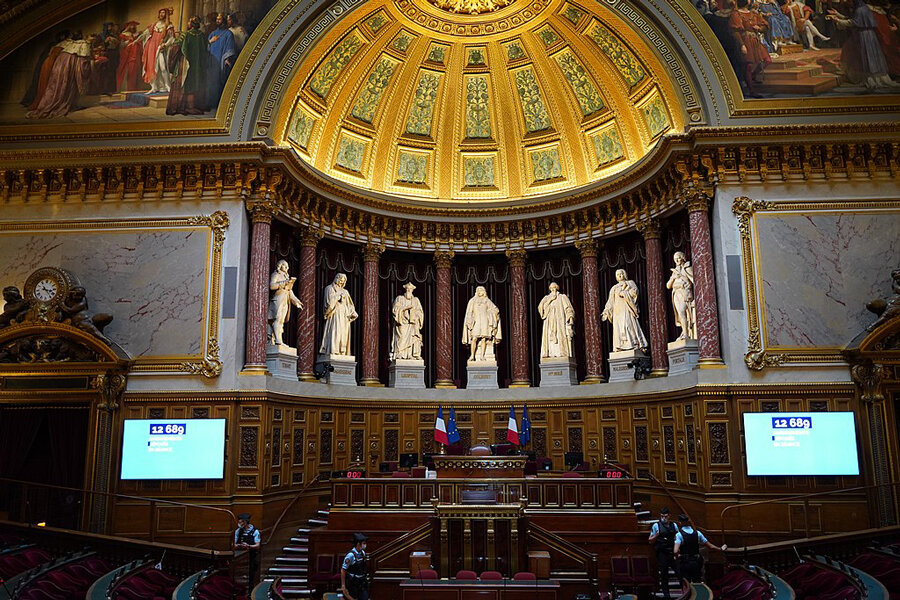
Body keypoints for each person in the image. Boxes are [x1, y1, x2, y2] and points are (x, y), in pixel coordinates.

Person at [828, 0, 900, 88]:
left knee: (868, 57)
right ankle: (872, 78)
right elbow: (853, 18)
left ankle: (871, 79)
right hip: (868, 36)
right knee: (868, 57)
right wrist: (838, 14)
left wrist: (837, 20)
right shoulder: (864, 8)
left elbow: (853, 22)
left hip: (864, 36)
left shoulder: (860, 10)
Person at [27, 32, 92, 119]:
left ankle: (51, 102)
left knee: (56, 86)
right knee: (64, 85)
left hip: (59, 64)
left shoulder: (69, 43)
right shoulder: (84, 44)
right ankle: (59, 103)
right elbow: (83, 64)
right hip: (68, 66)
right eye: (92, 37)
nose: (92, 39)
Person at [166, 16, 209, 116]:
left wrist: (174, 39)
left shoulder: (185, 34)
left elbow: (176, 46)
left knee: (183, 83)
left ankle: (182, 106)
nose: (187, 23)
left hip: (185, 63)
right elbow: (205, 49)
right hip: (197, 66)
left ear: (192, 24)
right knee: (194, 84)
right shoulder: (202, 35)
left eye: (189, 22)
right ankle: (192, 106)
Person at [730, 0, 772, 97]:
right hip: (745, 41)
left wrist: (760, 29)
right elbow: (735, 32)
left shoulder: (753, 14)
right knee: (748, 65)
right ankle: (752, 90)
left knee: (767, 60)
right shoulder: (736, 14)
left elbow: (765, 26)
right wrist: (742, 45)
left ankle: (752, 76)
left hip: (755, 40)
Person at [601, 269, 649, 352]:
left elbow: (635, 293)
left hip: (627, 308)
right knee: (618, 328)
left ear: (625, 274)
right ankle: (620, 346)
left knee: (628, 325)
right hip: (617, 311)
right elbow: (610, 301)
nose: (619, 275)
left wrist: (625, 293)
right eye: (617, 274)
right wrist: (606, 310)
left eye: (621, 274)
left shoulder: (630, 283)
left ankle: (633, 344)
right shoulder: (614, 288)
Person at [673, 514, 727, 583]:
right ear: (688, 521)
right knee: (697, 581)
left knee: (686, 583)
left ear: (680, 523)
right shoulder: (698, 533)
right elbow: (710, 546)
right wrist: (720, 549)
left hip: (685, 563)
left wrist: (677, 556)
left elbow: (675, 551)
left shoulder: (679, 535)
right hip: (696, 562)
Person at [319, 273, 358, 357]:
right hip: (335, 313)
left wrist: (353, 312)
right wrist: (338, 297)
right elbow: (328, 303)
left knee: (343, 333)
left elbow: (350, 304)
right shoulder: (329, 288)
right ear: (336, 279)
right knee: (335, 331)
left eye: (343, 281)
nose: (341, 282)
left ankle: (342, 352)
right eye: (340, 280)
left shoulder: (345, 292)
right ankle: (333, 350)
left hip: (344, 315)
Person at [267, 260, 303, 346]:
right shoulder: (276, 274)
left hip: (285, 300)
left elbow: (290, 292)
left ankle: (279, 339)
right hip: (277, 300)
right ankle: (278, 340)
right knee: (277, 319)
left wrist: (296, 301)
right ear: (280, 266)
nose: (287, 268)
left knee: (281, 321)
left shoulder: (286, 277)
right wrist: (283, 283)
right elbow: (271, 286)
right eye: (285, 266)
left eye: (288, 266)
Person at [462, 285, 502, 362]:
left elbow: (495, 309)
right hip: (476, 321)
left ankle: (482, 356)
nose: (480, 291)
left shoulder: (487, 300)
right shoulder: (472, 301)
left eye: (481, 290)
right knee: (474, 338)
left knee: (484, 339)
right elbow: (469, 312)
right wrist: (469, 320)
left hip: (484, 322)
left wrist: (491, 314)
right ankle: (472, 355)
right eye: (478, 290)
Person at [140, 8, 175, 93]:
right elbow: (145, 35)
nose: (162, 14)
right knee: (152, 67)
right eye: (161, 13)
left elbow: (172, 38)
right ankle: (154, 87)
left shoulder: (169, 25)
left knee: (163, 67)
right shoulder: (154, 25)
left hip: (160, 48)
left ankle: (167, 86)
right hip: (152, 48)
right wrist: (136, 40)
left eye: (164, 13)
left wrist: (165, 44)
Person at [538, 282, 576, 359]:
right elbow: (540, 308)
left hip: (560, 321)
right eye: (551, 288)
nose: (552, 290)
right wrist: (550, 300)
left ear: (557, 288)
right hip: (549, 322)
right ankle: (551, 353)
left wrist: (570, 319)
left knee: (559, 336)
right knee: (550, 338)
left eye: (554, 288)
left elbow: (568, 308)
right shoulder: (546, 298)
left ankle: (561, 353)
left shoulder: (562, 297)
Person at [206, 13, 236, 109]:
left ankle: (218, 105)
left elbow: (230, 48)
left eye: (220, 19)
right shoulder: (212, 33)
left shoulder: (228, 34)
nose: (218, 21)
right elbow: (206, 46)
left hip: (221, 62)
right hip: (211, 61)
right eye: (217, 19)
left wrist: (227, 59)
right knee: (210, 81)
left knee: (219, 82)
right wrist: (210, 42)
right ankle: (210, 102)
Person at [648, 507, 679, 598]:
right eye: (662, 516)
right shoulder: (656, 526)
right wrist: (656, 535)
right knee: (664, 575)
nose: (663, 518)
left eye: (665, 516)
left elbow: (677, 539)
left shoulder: (674, 525)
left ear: (669, 516)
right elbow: (650, 540)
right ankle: (667, 595)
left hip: (672, 552)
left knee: (679, 573)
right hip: (662, 553)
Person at [390, 282, 424, 361]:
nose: (409, 290)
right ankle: (399, 354)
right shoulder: (400, 298)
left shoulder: (416, 300)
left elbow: (420, 312)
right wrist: (405, 309)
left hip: (412, 324)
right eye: (407, 289)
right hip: (403, 322)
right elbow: (395, 309)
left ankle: (410, 354)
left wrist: (416, 317)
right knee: (401, 338)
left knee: (413, 338)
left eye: (410, 289)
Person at [667, 252, 696, 341]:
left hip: (684, 293)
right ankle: (684, 332)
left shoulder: (687, 268)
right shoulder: (675, 271)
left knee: (682, 311)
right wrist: (673, 278)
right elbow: (668, 286)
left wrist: (681, 276)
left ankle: (686, 334)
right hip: (676, 294)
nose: (677, 260)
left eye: (678, 258)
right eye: (675, 259)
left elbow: (694, 281)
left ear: (683, 258)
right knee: (680, 313)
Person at [233, 513, 261, 587]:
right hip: (240, 557)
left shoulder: (255, 531)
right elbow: (233, 544)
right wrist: (238, 545)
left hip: (251, 556)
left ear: (245, 522)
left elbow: (257, 545)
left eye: (241, 522)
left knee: (251, 574)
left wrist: (249, 546)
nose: (239, 524)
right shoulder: (238, 531)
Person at [117, 21, 144, 92]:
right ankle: (127, 89)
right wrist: (129, 41)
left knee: (136, 72)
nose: (133, 27)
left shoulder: (137, 35)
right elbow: (122, 46)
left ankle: (135, 88)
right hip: (128, 56)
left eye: (134, 26)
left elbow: (140, 44)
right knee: (129, 72)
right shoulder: (124, 35)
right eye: (131, 26)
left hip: (136, 56)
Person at [342, 533, 369, 600]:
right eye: (363, 543)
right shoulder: (350, 555)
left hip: (361, 582)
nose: (365, 545)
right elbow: (343, 570)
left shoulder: (363, 553)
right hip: (353, 583)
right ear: (358, 544)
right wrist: (343, 585)